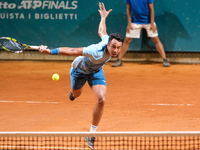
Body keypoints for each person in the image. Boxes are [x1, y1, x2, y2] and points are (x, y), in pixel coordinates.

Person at [38, 3, 124, 149]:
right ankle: (72, 93)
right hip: (79, 71)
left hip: (96, 71)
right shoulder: (95, 50)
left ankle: (91, 134)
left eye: (118, 48)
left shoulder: (107, 40)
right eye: (113, 47)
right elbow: (72, 51)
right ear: (108, 45)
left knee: (101, 100)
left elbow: (101, 31)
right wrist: (49, 52)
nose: (115, 50)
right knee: (76, 95)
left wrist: (103, 17)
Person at [112, 0, 170, 67]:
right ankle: (119, 60)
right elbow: (128, 9)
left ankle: (165, 59)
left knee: (156, 39)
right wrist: (129, 23)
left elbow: (151, 9)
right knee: (127, 40)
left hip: (148, 22)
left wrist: (152, 23)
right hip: (135, 21)